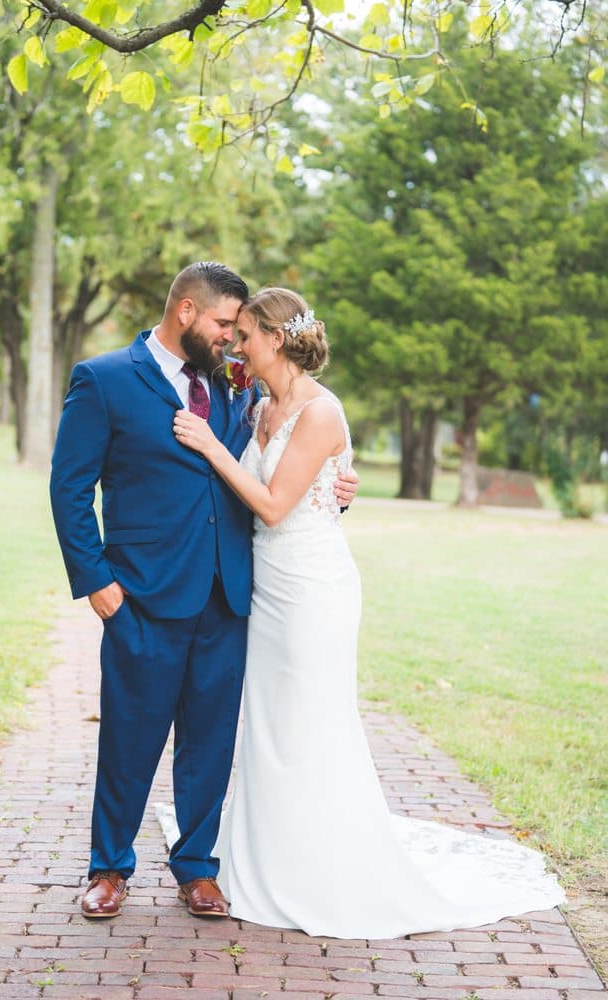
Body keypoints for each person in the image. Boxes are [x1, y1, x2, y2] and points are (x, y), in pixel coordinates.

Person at [172, 286, 565, 938]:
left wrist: (210, 450)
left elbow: (274, 505)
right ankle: (263, 856)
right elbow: (289, 492)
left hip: (311, 591)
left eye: (245, 335)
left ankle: (320, 869)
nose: (236, 346)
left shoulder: (321, 413)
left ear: (275, 337)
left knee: (311, 726)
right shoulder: (259, 405)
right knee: (270, 727)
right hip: (265, 589)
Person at [49, 263, 358, 921]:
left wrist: (337, 490)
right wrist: (97, 585)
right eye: (224, 325)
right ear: (186, 311)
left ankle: (197, 869)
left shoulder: (234, 391)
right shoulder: (103, 380)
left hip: (230, 594)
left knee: (212, 741)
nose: (231, 341)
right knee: (130, 736)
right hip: (142, 598)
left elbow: (277, 472)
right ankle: (109, 868)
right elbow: (69, 489)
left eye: (240, 331)